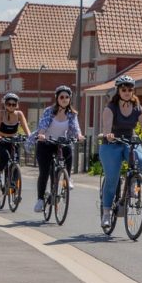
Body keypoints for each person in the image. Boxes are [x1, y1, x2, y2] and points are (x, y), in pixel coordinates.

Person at [99, 75, 142, 228]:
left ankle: (132, 184)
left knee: (139, 160)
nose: (127, 92)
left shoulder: (137, 107)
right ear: (118, 91)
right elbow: (107, 126)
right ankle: (106, 213)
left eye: (130, 89)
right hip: (112, 143)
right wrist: (108, 134)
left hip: (130, 140)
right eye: (124, 89)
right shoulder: (110, 108)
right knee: (112, 179)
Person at [32, 85, 81, 213]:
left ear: (70, 99)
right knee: (44, 172)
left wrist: (79, 136)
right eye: (62, 97)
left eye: (67, 97)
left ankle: (68, 178)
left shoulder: (72, 114)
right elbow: (43, 124)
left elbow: (75, 127)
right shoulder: (49, 111)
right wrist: (41, 134)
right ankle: (40, 200)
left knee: (68, 150)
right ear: (57, 98)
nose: (64, 99)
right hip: (46, 143)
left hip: (61, 142)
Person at [0, 92, 31, 186]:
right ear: (5, 104)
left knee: (16, 160)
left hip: (13, 141)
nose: (11, 106)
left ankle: (14, 182)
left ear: (17, 105)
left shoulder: (19, 114)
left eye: (14, 104)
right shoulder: (1, 113)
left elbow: (26, 128)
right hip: (1, 142)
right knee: (5, 155)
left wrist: (30, 136)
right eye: (9, 104)